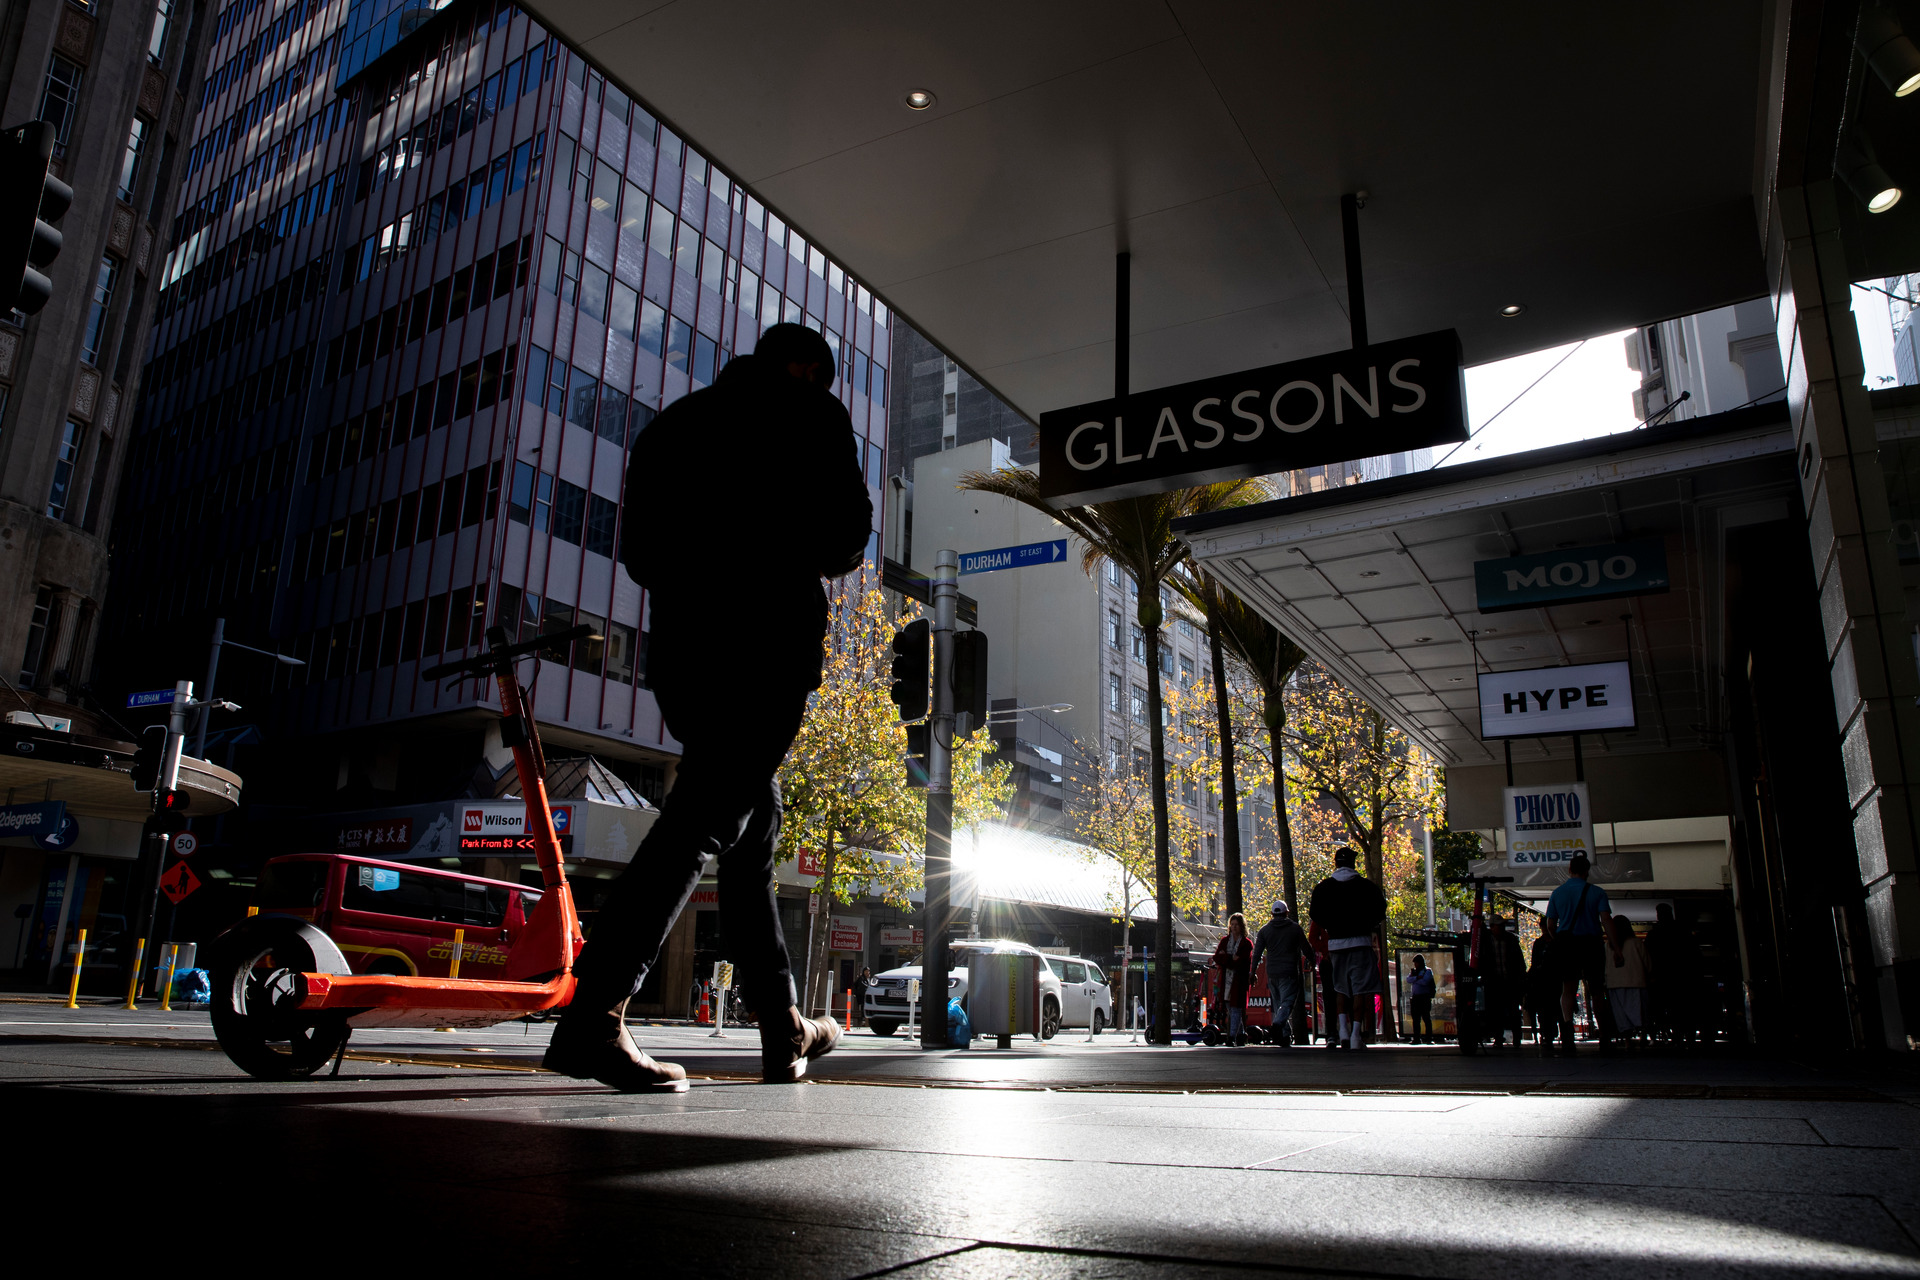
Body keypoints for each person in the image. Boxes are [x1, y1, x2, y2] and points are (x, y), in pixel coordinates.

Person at [543, 324, 873, 1091]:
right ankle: (594, 1015)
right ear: (803, 370)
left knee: (751, 830)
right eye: (817, 376)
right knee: (703, 819)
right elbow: (845, 539)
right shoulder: (811, 416)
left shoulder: (670, 427)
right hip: (766, 651)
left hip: (685, 657)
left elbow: (640, 557)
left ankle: (780, 1026)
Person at [1309, 847, 1389, 1050]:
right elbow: (1380, 910)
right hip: (1360, 942)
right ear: (1353, 863)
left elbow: (1315, 914)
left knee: (1340, 988)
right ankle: (1355, 1035)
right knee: (1360, 989)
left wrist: (1331, 927)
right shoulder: (1367, 887)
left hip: (1335, 945)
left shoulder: (1323, 888)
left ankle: (1342, 1031)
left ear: (1336, 863)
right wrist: (1366, 925)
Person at [1544, 853, 1617, 1055]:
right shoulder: (1597, 893)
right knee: (1596, 990)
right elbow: (1606, 920)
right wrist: (1615, 946)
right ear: (1587, 871)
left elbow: (1551, 924)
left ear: (1569, 870)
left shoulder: (1558, 893)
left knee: (1568, 989)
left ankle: (1567, 1036)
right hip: (1591, 944)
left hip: (1568, 945)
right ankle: (1604, 1036)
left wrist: (1559, 938)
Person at [1250, 899, 1316, 1047]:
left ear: (1272, 913)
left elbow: (1257, 953)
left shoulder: (1264, 930)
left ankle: (1285, 1036)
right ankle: (1278, 1024)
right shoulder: (1295, 929)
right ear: (1287, 912)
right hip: (1289, 971)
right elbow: (1306, 947)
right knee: (1287, 1002)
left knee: (1279, 1002)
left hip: (1272, 972)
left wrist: (1252, 971)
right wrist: (1312, 960)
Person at [1645, 902, 1698, 1044]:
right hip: (1681, 975)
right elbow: (1693, 953)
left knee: (1665, 1007)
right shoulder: (1682, 931)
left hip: (1662, 976)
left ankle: (1672, 1033)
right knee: (1682, 1007)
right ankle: (1684, 1034)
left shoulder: (1654, 934)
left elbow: (1648, 955)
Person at [1483, 915, 1528, 1050]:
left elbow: (1520, 962)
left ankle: (1516, 1038)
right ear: (1491, 927)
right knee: (1497, 1012)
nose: (1501, 928)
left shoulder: (1511, 940)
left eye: (1502, 925)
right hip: (1495, 983)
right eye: (1498, 926)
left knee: (1513, 1011)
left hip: (1510, 982)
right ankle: (1498, 1037)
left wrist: (1520, 979)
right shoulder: (1486, 942)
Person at [1606, 913, 1653, 1040]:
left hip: (1615, 985)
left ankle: (1628, 1040)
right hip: (1637, 982)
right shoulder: (1636, 943)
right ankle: (1643, 1036)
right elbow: (1647, 963)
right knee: (1640, 1013)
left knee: (1622, 1016)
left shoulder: (1608, 946)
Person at [1212, 913, 1254, 1046]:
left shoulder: (1247, 944)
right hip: (1226, 980)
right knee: (1231, 1008)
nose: (1234, 927)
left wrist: (1226, 958)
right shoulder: (1225, 941)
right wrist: (1231, 958)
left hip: (1239, 981)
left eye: (1237, 925)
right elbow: (1217, 957)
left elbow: (1242, 962)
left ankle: (1231, 1037)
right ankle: (1241, 1035)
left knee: (1235, 1008)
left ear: (1242, 926)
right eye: (1232, 925)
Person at [1525, 915, 1562, 1053]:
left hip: (1554, 983)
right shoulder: (1541, 943)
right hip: (1543, 985)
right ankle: (1548, 1035)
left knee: (1554, 1011)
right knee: (1546, 1013)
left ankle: (1550, 1035)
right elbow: (1535, 964)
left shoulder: (1554, 943)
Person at [1405, 954, 1437, 1043]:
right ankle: (1416, 1038)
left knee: (1426, 1018)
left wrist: (1415, 979)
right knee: (1415, 1019)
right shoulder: (1414, 972)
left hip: (1424, 998)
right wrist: (1417, 977)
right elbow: (1408, 979)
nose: (1415, 965)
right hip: (1415, 998)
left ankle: (1429, 1038)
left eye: (1417, 963)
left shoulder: (1427, 971)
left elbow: (1425, 981)